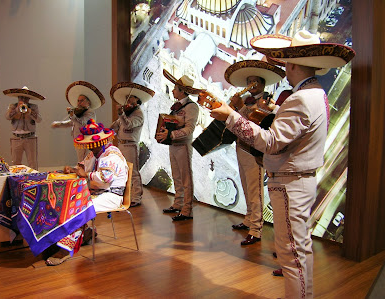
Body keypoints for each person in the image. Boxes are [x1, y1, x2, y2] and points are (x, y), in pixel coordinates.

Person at [210, 30, 355, 298]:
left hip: (290, 183)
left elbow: (272, 142)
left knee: (292, 255)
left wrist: (230, 116)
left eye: (287, 62)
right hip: (297, 180)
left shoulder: (301, 98)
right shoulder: (313, 93)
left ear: (293, 64)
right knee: (297, 252)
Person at [45, 119, 128, 266]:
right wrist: (73, 169)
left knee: (79, 207)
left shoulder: (111, 155)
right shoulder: (95, 153)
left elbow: (105, 179)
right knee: (66, 200)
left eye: (90, 144)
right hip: (98, 192)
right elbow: (83, 166)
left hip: (111, 195)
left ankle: (66, 248)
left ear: (99, 142)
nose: (89, 146)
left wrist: (85, 174)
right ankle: (86, 232)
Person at [224, 59, 285, 246]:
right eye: (248, 81)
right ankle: (249, 218)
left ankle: (256, 229)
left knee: (255, 188)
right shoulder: (250, 100)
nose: (250, 84)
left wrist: (238, 107)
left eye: (253, 81)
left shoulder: (266, 102)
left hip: (254, 150)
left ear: (260, 83)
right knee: (245, 185)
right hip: (241, 147)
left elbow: (252, 124)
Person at [156, 70, 202, 221]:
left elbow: (189, 130)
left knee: (186, 178)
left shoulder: (192, 107)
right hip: (173, 145)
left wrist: (171, 135)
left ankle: (187, 209)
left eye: (176, 89)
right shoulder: (176, 106)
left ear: (182, 91)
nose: (174, 91)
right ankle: (178, 204)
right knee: (177, 176)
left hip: (182, 145)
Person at [110, 82, 155, 207]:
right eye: (127, 99)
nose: (127, 100)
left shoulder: (138, 114)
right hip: (121, 144)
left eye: (131, 98)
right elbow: (116, 124)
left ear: (137, 101)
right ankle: (124, 195)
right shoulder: (127, 112)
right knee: (122, 171)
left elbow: (128, 124)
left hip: (130, 145)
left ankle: (136, 197)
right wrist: (106, 130)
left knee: (134, 172)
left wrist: (121, 114)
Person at [51, 81, 105, 162]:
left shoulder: (90, 112)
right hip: (78, 140)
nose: (79, 103)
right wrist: (59, 124)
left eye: (81, 101)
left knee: (85, 161)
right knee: (81, 160)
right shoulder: (78, 113)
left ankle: (85, 173)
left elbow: (82, 123)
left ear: (88, 102)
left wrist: (73, 116)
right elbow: (71, 123)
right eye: (78, 101)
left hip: (86, 140)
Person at [4, 86, 44, 170]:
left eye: (26, 98)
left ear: (29, 99)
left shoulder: (33, 107)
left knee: (32, 162)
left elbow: (39, 119)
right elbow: (7, 117)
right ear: (18, 98)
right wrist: (16, 110)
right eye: (21, 97)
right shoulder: (13, 106)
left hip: (30, 138)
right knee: (15, 162)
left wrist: (29, 111)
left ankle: (34, 180)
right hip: (16, 138)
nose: (23, 99)